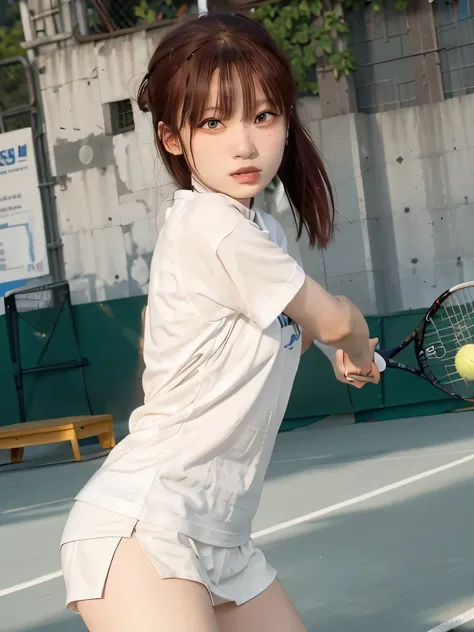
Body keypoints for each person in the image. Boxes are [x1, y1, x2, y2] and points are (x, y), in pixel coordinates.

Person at [60, 12, 380, 632]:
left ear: (287, 121)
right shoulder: (210, 225)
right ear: (173, 138)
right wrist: (358, 347)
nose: (244, 144)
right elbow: (339, 319)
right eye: (214, 121)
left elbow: (301, 329)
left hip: (224, 538)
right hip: (144, 526)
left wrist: (335, 351)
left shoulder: (263, 234)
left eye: (263, 116)